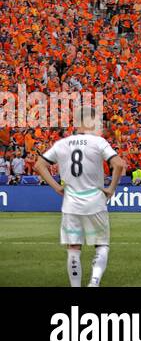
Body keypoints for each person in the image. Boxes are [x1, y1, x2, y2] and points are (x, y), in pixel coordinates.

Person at [32, 107, 128, 288]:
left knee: (73, 249)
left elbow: (39, 165)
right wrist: (111, 189)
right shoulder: (98, 142)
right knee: (101, 245)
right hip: (95, 202)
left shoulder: (62, 143)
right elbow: (118, 164)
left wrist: (56, 187)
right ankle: (94, 282)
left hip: (70, 204)